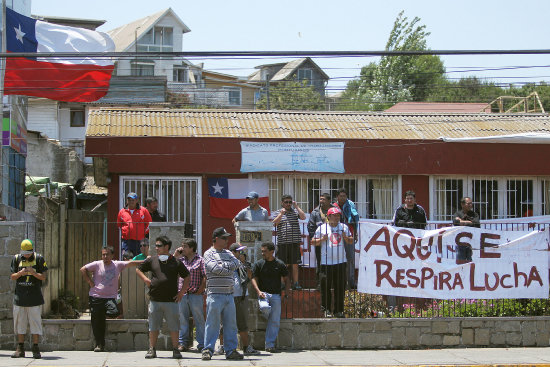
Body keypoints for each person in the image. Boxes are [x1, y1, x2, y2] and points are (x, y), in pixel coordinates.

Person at [136, 236, 190, 359]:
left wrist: (182, 292)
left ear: (166, 247)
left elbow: (187, 276)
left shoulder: (176, 262)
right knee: (153, 326)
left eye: (159, 245)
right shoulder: (152, 260)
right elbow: (138, 269)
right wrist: (146, 279)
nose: (156, 248)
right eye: (156, 245)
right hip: (155, 300)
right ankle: (152, 349)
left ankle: (176, 350)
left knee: (174, 326)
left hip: (172, 300)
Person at [80, 246, 142, 352]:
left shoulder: (117, 265)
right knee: (96, 322)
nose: (105, 256)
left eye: (107, 254)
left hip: (109, 298)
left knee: (115, 312)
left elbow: (132, 263)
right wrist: (90, 282)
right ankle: (99, 344)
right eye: (103, 254)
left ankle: (103, 315)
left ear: (112, 255)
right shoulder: (97, 264)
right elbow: (83, 269)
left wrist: (149, 259)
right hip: (96, 297)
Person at [202, 227, 244, 361]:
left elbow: (237, 264)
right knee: (212, 324)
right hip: (215, 294)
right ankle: (208, 350)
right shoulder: (208, 253)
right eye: (224, 238)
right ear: (216, 239)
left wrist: (223, 266)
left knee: (231, 324)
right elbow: (214, 269)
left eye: (227, 237)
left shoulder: (228, 253)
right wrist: (228, 267)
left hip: (229, 294)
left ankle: (230, 350)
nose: (227, 240)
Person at [217, 243, 260, 356]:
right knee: (224, 322)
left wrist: (247, 270)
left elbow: (249, 278)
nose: (240, 254)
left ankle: (246, 347)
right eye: (238, 252)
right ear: (232, 252)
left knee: (243, 322)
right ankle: (222, 346)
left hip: (241, 297)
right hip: (228, 295)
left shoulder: (243, 265)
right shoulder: (225, 263)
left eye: (241, 252)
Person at [311, 207, 353, 318]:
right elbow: (312, 242)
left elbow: (350, 240)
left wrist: (345, 237)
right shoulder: (322, 228)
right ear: (328, 217)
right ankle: (327, 310)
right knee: (326, 287)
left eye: (338, 215)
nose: (336, 217)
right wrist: (321, 240)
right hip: (326, 263)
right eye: (334, 215)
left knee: (340, 287)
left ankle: (339, 311)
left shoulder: (343, 227)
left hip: (341, 262)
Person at [10, 239, 47, 359]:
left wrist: (33, 272)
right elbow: (13, 277)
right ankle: (20, 348)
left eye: (28, 253)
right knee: (20, 323)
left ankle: (35, 348)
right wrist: (21, 273)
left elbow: (43, 278)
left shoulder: (39, 258)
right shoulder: (16, 259)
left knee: (35, 323)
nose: (26, 255)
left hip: (34, 298)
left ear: (32, 251)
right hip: (20, 297)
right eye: (24, 253)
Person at [251, 242, 290, 353]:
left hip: (276, 295)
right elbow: (253, 278)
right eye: (262, 251)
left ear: (272, 251)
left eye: (265, 251)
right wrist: (258, 291)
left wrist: (287, 293)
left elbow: (287, 279)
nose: (262, 253)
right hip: (263, 294)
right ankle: (270, 317)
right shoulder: (259, 264)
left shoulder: (280, 264)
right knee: (264, 308)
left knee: (275, 321)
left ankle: (269, 344)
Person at [173, 238, 206, 352]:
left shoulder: (200, 260)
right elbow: (169, 266)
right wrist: (175, 255)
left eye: (185, 246)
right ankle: (183, 343)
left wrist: (201, 290)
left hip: (195, 294)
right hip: (182, 294)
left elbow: (205, 276)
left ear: (192, 248)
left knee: (199, 319)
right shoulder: (181, 260)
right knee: (183, 319)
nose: (183, 248)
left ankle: (201, 344)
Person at [271, 195, 306, 290]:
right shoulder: (278, 212)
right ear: (282, 203)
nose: (288, 204)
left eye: (290, 202)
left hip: (295, 242)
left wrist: (297, 207)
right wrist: (281, 214)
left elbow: (303, 217)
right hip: (283, 243)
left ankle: (296, 283)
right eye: (286, 202)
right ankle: (281, 283)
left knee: (295, 264)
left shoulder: (295, 211)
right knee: (282, 264)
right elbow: (274, 224)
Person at [333, 188, 360, 289]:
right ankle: (338, 282)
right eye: (341, 196)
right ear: (337, 197)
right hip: (336, 236)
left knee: (350, 259)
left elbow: (355, 221)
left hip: (349, 235)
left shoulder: (351, 206)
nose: (343, 198)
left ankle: (351, 282)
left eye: (344, 196)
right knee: (336, 258)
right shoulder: (333, 207)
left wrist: (355, 233)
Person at [117, 192, 152, 259]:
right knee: (126, 259)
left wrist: (143, 232)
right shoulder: (122, 211)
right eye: (129, 200)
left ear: (136, 200)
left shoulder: (143, 210)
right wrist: (125, 232)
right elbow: (119, 225)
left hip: (139, 241)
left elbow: (149, 224)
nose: (131, 202)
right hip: (126, 241)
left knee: (139, 259)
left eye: (133, 200)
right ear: (127, 201)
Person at [308, 193, 334, 275]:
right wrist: (315, 239)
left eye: (323, 199)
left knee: (334, 261)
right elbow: (311, 227)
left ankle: (333, 282)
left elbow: (341, 224)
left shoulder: (335, 210)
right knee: (320, 262)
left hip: (333, 242)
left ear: (329, 201)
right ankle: (320, 282)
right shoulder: (315, 212)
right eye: (320, 199)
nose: (321, 201)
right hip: (320, 242)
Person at [453, 196, 480, 263]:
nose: (470, 205)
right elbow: (455, 223)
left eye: (471, 203)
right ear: (462, 204)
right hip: (461, 243)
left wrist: (462, 221)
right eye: (468, 203)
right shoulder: (458, 214)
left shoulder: (474, 214)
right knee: (461, 262)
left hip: (472, 242)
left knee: (471, 262)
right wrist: (470, 222)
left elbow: (476, 224)